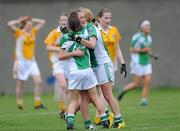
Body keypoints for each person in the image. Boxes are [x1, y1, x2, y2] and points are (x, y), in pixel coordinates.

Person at [58, 10, 110, 130]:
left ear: (69, 25)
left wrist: (66, 34)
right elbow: (89, 42)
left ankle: (70, 123)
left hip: (74, 72)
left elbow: (60, 56)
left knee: (74, 100)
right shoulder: (85, 33)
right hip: (87, 71)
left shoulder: (65, 38)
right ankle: (105, 120)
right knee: (95, 98)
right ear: (79, 23)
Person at [76, 8, 125, 129]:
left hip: (103, 64)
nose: (79, 20)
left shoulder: (92, 29)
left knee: (107, 94)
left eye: (81, 17)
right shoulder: (86, 29)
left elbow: (91, 45)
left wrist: (76, 38)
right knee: (88, 95)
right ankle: (105, 115)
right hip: (94, 66)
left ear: (85, 18)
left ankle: (119, 120)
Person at [93, 8, 127, 127]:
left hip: (109, 64)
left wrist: (123, 63)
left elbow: (117, 48)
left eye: (109, 18)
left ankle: (102, 116)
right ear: (99, 18)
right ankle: (104, 115)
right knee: (95, 92)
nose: (108, 20)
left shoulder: (114, 30)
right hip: (96, 64)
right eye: (106, 17)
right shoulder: (96, 30)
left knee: (104, 93)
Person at [7, 16, 46, 109]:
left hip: (32, 62)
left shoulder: (33, 32)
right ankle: (20, 102)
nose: (31, 26)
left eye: (32, 25)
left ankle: (37, 103)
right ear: (24, 25)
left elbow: (42, 22)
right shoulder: (18, 33)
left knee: (39, 82)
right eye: (29, 25)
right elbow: (9, 24)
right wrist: (19, 20)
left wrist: (32, 19)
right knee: (21, 83)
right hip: (21, 62)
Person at [117, 20, 153, 106]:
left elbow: (147, 50)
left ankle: (144, 100)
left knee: (148, 81)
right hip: (137, 62)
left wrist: (152, 55)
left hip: (146, 62)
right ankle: (124, 90)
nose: (149, 27)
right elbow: (131, 49)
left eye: (149, 26)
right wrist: (143, 50)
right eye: (147, 26)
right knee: (137, 84)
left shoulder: (149, 38)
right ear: (142, 28)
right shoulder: (137, 37)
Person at [44, 12, 69, 118]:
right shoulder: (54, 32)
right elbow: (48, 47)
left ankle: (65, 110)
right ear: (59, 21)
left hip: (68, 62)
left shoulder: (70, 32)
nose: (63, 22)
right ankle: (62, 108)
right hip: (57, 63)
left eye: (65, 20)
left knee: (67, 88)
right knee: (63, 85)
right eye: (62, 20)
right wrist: (60, 49)